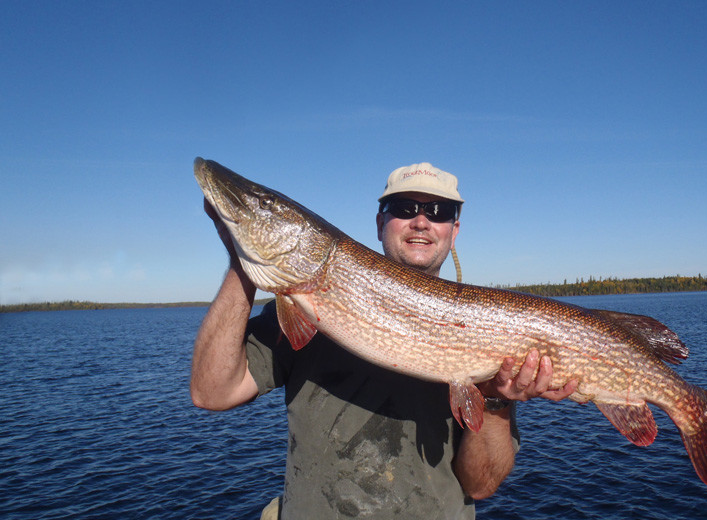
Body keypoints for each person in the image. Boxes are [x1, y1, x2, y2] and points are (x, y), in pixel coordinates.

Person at [191, 162, 577, 519]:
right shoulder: (295, 313)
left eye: (439, 212)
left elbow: (480, 485)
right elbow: (211, 394)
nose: (421, 222)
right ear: (380, 223)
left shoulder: (486, 332)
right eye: (405, 208)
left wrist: (495, 400)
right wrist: (243, 263)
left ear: (454, 230)